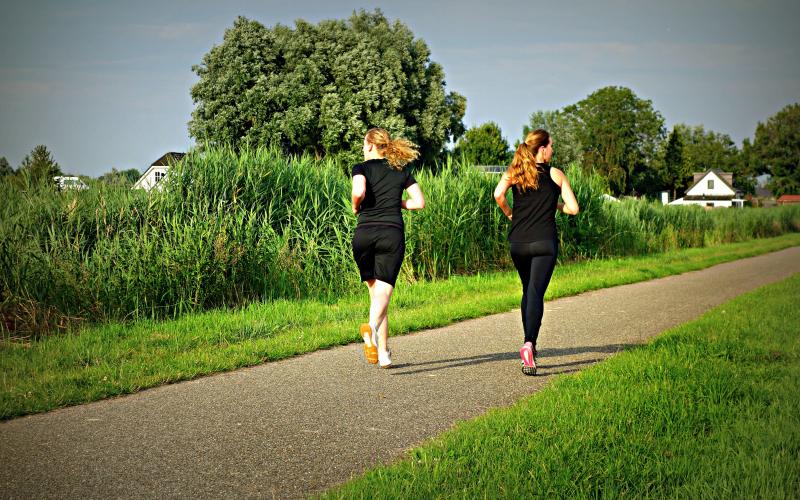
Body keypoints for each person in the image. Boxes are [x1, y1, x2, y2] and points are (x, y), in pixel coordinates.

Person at [493, 129, 579, 375]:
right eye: (551, 146)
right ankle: (529, 344)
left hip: (518, 243)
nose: (553, 151)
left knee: (527, 290)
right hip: (544, 244)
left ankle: (528, 344)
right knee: (535, 293)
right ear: (542, 149)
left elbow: (498, 194)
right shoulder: (555, 174)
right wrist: (556, 204)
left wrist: (510, 214)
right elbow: (573, 209)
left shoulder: (516, 172)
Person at [352, 128, 426, 368]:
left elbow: (359, 191)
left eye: (364, 144)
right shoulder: (400, 171)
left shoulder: (360, 168)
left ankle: (383, 353)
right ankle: (371, 329)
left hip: (364, 235)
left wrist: (356, 206)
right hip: (390, 234)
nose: (363, 149)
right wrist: (399, 203)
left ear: (371, 145)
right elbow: (419, 203)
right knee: (383, 294)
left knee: (377, 297)